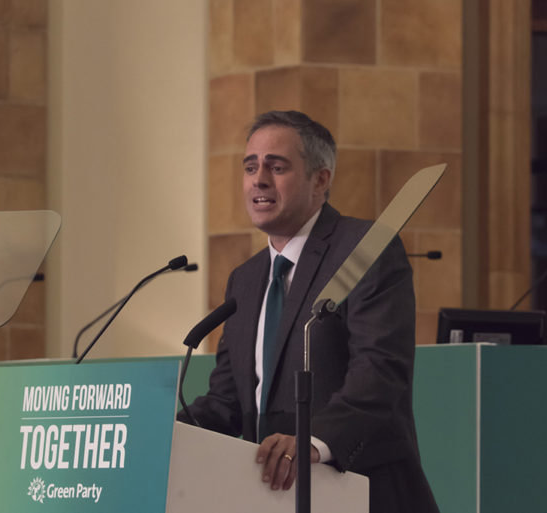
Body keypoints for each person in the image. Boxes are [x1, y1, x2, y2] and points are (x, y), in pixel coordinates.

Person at [179, 110, 439, 513]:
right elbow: (229, 402)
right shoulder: (245, 280)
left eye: (276, 166)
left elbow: (380, 370)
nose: (258, 179)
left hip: (361, 492)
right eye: (250, 167)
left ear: (321, 180)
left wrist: (313, 441)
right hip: (269, 496)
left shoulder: (365, 248)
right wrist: (163, 431)